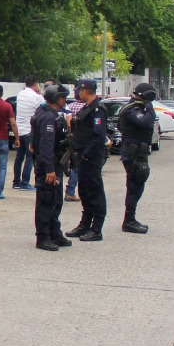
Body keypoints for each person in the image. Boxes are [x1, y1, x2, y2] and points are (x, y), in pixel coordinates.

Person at [31, 85, 73, 251]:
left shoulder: (45, 113)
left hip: (52, 163)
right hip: (48, 165)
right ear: (57, 99)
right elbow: (46, 145)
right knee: (46, 202)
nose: (64, 100)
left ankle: (55, 233)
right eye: (62, 97)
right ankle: (43, 237)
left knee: (55, 200)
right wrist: (49, 169)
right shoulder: (48, 117)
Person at [67, 78, 109, 241]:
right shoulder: (87, 108)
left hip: (91, 157)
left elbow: (99, 136)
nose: (77, 93)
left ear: (84, 90)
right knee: (84, 191)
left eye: (78, 90)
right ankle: (85, 225)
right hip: (82, 156)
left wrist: (86, 153)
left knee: (94, 191)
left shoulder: (98, 109)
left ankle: (96, 229)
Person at [117, 82, 158, 234]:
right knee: (135, 184)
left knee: (137, 184)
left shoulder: (136, 107)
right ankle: (129, 220)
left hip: (137, 152)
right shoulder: (133, 109)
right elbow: (145, 123)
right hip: (133, 153)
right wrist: (150, 109)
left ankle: (130, 218)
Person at [12, 76, 42, 191]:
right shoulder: (37, 97)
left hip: (19, 131)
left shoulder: (20, 94)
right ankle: (25, 183)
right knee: (30, 158)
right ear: (35, 84)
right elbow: (44, 107)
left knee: (19, 157)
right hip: (30, 131)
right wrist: (39, 93)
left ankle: (16, 182)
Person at [63, 87, 83, 203]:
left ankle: (70, 190)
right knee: (78, 166)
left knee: (74, 164)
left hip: (70, 139)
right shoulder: (85, 108)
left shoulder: (70, 107)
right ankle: (70, 191)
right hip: (80, 140)